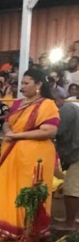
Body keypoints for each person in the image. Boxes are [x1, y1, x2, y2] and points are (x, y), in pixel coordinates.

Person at [0, 68, 59, 240]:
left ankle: (27, 231)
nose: (23, 87)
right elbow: (7, 122)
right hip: (12, 152)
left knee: (27, 191)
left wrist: (17, 135)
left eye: (27, 83)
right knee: (7, 187)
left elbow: (49, 131)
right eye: (22, 83)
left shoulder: (47, 105)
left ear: (39, 84)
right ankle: (7, 228)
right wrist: (8, 131)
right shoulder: (19, 103)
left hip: (35, 156)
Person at [52, 92, 79, 231]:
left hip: (77, 153)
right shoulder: (71, 108)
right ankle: (73, 218)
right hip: (75, 151)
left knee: (71, 189)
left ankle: (70, 223)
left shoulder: (66, 110)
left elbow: (56, 131)